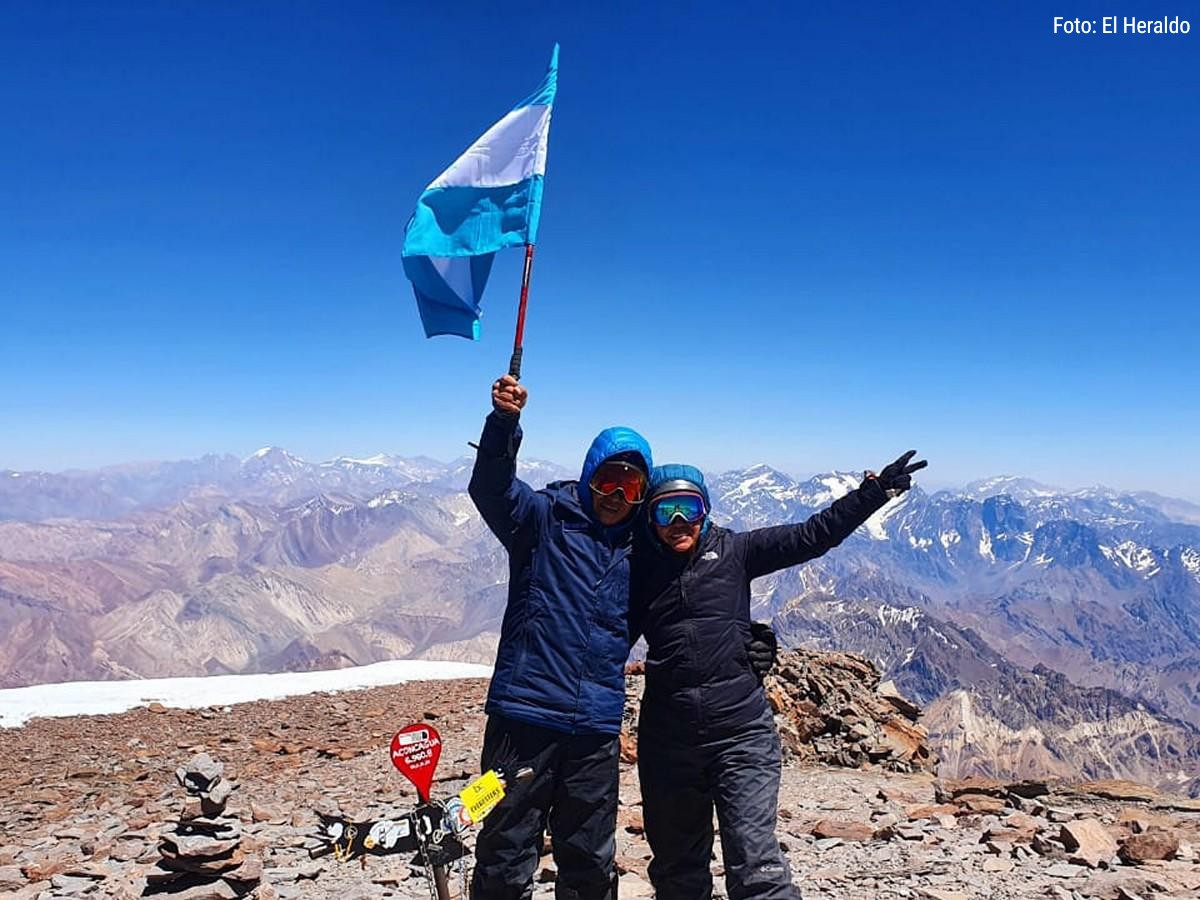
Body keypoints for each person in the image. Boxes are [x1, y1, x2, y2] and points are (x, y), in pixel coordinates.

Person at [630, 452, 928, 900]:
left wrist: (873, 494)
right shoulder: (636, 570)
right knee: (677, 871)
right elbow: (599, 629)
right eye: (664, 510)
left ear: (705, 511)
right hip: (668, 745)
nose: (678, 521)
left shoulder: (736, 552)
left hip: (741, 736)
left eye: (688, 508)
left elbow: (813, 536)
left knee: (757, 867)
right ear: (649, 517)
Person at [467, 373, 653, 900]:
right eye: (608, 481)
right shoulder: (541, 519)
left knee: (591, 858)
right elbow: (491, 488)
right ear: (589, 475)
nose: (617, 495)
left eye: (631, 487)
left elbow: (701, 579)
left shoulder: (642, 551)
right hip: (523, 719)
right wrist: (504, 422)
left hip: (593, 729)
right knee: (506, 848)